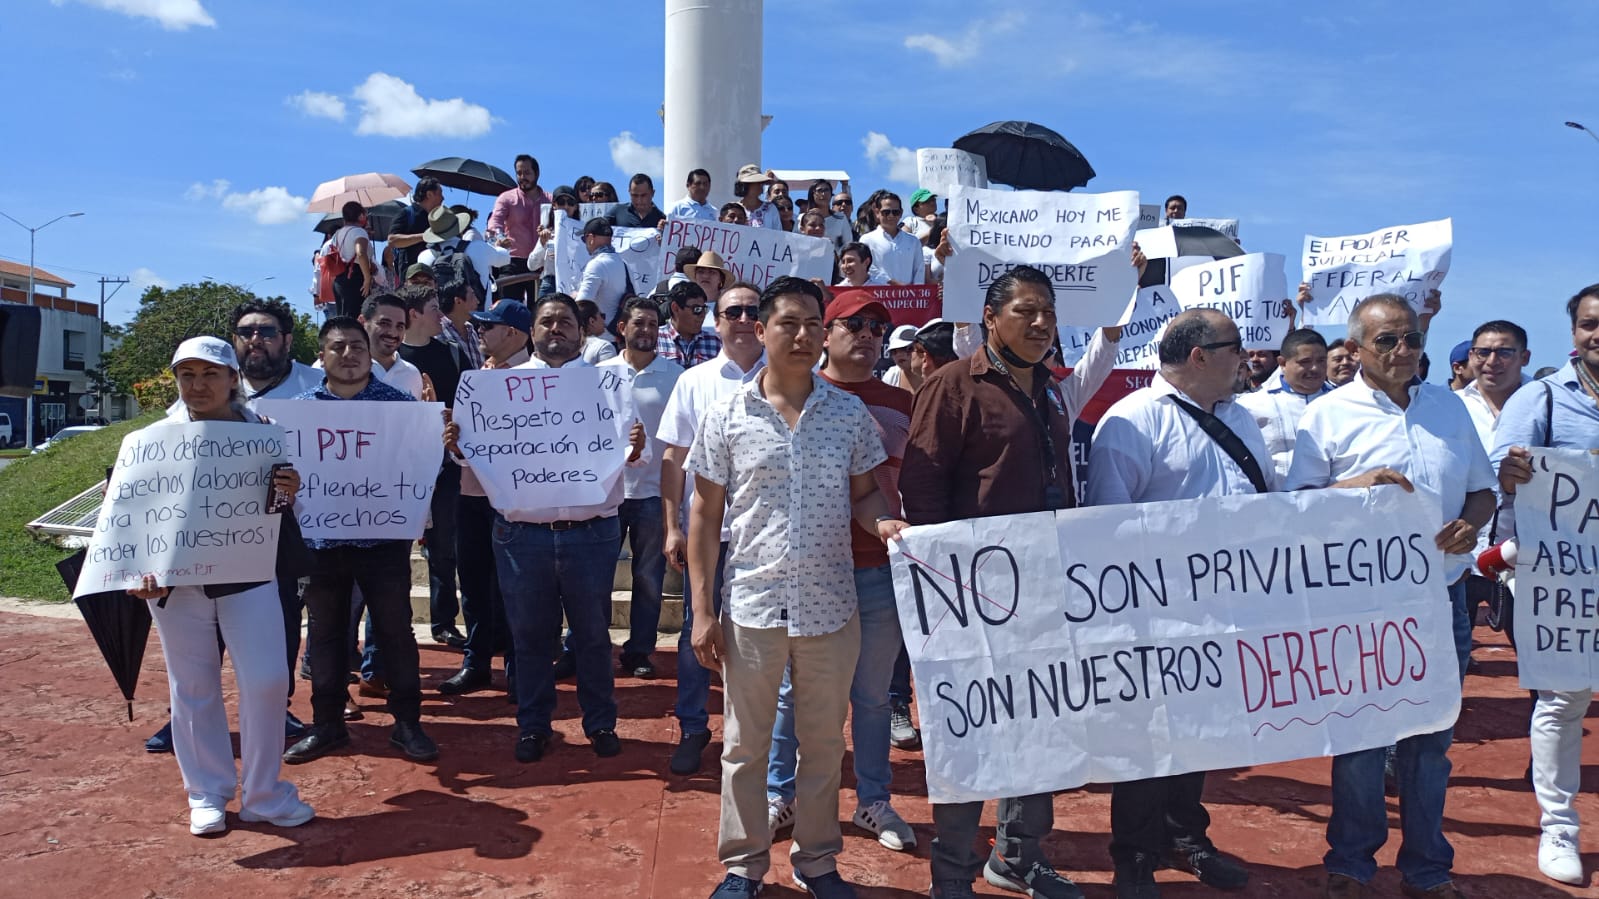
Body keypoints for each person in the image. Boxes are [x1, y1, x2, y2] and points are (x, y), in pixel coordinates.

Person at [687, 277, 899, 899]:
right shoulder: (727, 415)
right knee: (744, 747)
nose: (803, 335)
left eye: (813, 323)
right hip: (753, 605)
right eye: (789, 323)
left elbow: (865, 494)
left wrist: (883, 522)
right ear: (761, 330)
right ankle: (744, 865)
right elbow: (704, 515)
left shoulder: (848, 414)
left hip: (831, 607)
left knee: (824, 745)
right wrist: (702, 610)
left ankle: (818, 860)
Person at [1286, 293, 1495, 899]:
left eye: (1412, 338)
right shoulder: (1326, 416)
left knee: (1430, 745)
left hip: (1443, 600)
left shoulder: (1450, 408)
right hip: (1362, 608)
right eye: (1387, 340)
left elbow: (1482, 491)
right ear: (1354, 349)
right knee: (1361, 741)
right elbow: (1295, 507)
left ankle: (1427, 869)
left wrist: (1470, 524)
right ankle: (1351, 864)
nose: (1403, 350)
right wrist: (1355, 485)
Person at [900, 265, 1093, 899]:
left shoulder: (1051, 390)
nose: (1041, 324)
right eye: (1026, 311)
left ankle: (1017, 857)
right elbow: (922, 489)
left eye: (1049, 313)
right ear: (990, 317)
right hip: (973, 597)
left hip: (1044, 591)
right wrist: (949, 586)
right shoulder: (954, 385)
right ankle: (953, 873)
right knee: (971, 734)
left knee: (1039, 727)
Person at [1087, 308, 1262, 898]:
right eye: (1236, 347)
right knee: (1146, 739)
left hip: (1226, 608)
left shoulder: (1242, 419)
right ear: (1199, 355)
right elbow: (1108, 527)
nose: (1246, 358)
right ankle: (1135, 854)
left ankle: (1186, 837)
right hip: (1155, 616)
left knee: (1202, 732)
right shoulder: (1132, 420)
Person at [130, 336, 315, 835]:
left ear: (233, 378)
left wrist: (289, 490)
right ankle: (206, 791)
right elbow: (133, 513)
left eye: (210, 373)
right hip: (176, 584)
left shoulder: (264, 434)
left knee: (268, 680)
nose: (198, 385)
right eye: (187, 375)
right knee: (192, 686)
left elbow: (277, 511)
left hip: (249, 572)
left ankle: (263, 793)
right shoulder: (152, 440)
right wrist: (138, 569)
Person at [764, 289, 917, 857]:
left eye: (878, 328)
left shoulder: (903, 403)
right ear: (824, 334)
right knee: (791, 694)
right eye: (855, 325)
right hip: (809, 573)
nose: (869, 336)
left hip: (879, 571)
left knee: (873, 697)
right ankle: (780, 796)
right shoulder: (797, 394)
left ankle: (873, 800)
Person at [460, 293, 645, 763]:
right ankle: (533, 726)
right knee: (529, 637)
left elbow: (626, 451)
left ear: (582, 332)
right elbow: (473, 460)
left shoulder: (610, 385)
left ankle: (600, 722)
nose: (556, 328)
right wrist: (459, 446)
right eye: (547, 321)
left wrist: (635, 445)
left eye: (565, 321)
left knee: (593, 635)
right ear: (532, 332)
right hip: (522, 536)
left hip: (592, 533)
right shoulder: (496, 388)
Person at [283, 317, 441, 766]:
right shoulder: (296, 413)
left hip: (384, 540)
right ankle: (327, 724)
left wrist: (438, 436)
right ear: (322, 355)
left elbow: (421, 465)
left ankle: (407, 723)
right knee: (325, 636)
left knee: (395, 632)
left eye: (356, 346)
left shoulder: (400, 406)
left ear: (369, 353)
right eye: (338, 347)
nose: (349, 354)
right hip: (321, 543)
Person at [1491, 283, 1599, 887]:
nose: (1598, 333)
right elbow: (1497, 474)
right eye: (1589, 323)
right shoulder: (1542, 398)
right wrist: (1512, 473)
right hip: (1565, 578)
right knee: (1564, 699)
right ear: (1575, 332)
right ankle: (1559, 827)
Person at [658, 281, 766, 776]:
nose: (743, 319)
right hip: (708, 535)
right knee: (696, 632)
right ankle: (693, 726)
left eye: (751, 311)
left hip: (767, 537)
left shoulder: (792, 378)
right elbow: (673, 457)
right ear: (716, 323)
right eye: (733, 312)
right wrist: (672, 526)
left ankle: (759, 734)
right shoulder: (693, 381)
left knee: (765, 636)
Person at [438, 299, 534, 697]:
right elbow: (462, 451)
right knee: (474, 583)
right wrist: (454, 443)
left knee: (516, 588)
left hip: (517, 501)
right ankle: (476, 662)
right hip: (473, 494)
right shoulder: (475, 380)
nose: (479, 331)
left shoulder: (539, 381)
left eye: (487, 325)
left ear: (512, 332)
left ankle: (518, 667)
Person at [600, 297, 684, 678]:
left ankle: (639, 651)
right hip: (606, 493)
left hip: (653, 493)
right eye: (639, 323)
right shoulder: (598, 374)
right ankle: (589, 646)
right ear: (622, 328)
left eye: (653, 324)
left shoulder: (675, 376)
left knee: (648, 578)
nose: (647, 330)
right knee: (596, 577)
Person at [397, 284, 468, 649]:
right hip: (398, 469)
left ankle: (444, 621)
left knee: (444, 548)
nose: (441, 315)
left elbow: (469, 404)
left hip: (445, 465)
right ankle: (392, 626)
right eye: (433, 308)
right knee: (392, 551)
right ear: (414, 314)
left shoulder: (452, 354)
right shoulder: (391, 360)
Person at [1235, 328, 1331, 484]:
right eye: (1305, 362)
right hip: (1276, 496)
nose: (1315, 368)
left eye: (1321, 361)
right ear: (1282, 363)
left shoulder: (1344, 402)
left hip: (1334, 496)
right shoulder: (1250, 405)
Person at [487, 154, 552, 301]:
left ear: (537, 173)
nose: (522, 177)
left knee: (541, 309)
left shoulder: (550, 200)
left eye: (527, 173)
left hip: (541, 262)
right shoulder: (506, 198)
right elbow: (495, 221)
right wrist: (499, 237)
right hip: (513, 262)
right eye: (519, 173)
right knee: (509, 307)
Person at [417, 205, 508, 307]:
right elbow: (505, 258)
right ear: (459, 227)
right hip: (478, 314)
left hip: (440, 315)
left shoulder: (424, 256)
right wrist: (499, 246)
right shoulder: (478, 247)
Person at [358, 293, 425, 398]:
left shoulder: (412, 374)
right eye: (384, 323)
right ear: (362, 323)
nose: (393, 333)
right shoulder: (341, 370)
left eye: (400, 326)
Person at [859, 193, 924, 286]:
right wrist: (891, 282)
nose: (891, 216)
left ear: (901, 213)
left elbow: (919, 271)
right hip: (877, 293)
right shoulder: (866, 240)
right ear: (877, 213)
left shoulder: (913, 241)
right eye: (886, 212)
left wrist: (916, 292)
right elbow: (866, 268)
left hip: (909, 294)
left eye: (895, 212)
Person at [574, 217, 629, 323]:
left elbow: (583, 304)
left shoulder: (597, 264)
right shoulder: (622, 262)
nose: (584, 243)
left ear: (591, 238)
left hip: (600, 330)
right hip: (616, 328)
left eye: (584, 239)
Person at [386, 177, 445, 274]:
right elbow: (392, 240)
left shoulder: (437, 218)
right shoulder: (407, 213)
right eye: (440, 193)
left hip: (433, 275)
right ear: (429, 194)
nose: (443, 198)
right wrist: (424, 236)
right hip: (411, 276)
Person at [326, 201, 375, 317]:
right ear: (361, 216)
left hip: (340, 278)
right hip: (356, 277)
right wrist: (367, 278)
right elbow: (360, 253)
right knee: (358, 317)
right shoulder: (359, 232)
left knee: (343, 317)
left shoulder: (337, 234)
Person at [658, 280, 722, 368]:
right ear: (675, 308)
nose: (702, 315)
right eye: (697, 309)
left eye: (704, 309)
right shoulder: (656, 339)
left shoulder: (715, 343)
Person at [802, 180, 851, 251]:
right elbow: (794, 241)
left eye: (826, 190)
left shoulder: (841, 218)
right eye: (819, 190)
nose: (823, 194)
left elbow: (848, 243)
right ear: (812, 194)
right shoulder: (801, 218)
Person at [734, 164, 782, 229]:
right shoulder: (733, 209)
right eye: (757, 182)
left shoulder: (771, 208)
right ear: (745, 185)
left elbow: (778, 232)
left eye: (762, 182)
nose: (761, 185)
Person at [686, 250, 734, 315]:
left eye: (712, 272)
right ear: (695, 277)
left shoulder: (730, 308)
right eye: (701, 271)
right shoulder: (686, 306)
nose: (705, 276)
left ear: (721, 279)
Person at [577, 299, 618, 364]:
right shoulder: (604, 347)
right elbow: (608, 370)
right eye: (602, 316)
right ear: (592, 321)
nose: (604, 320)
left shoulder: (566, 346)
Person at [880, 325, 918, 390]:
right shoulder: (891, 376)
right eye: (893, 351)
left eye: (906, 348)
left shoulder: (933, 374)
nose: (899, 354)